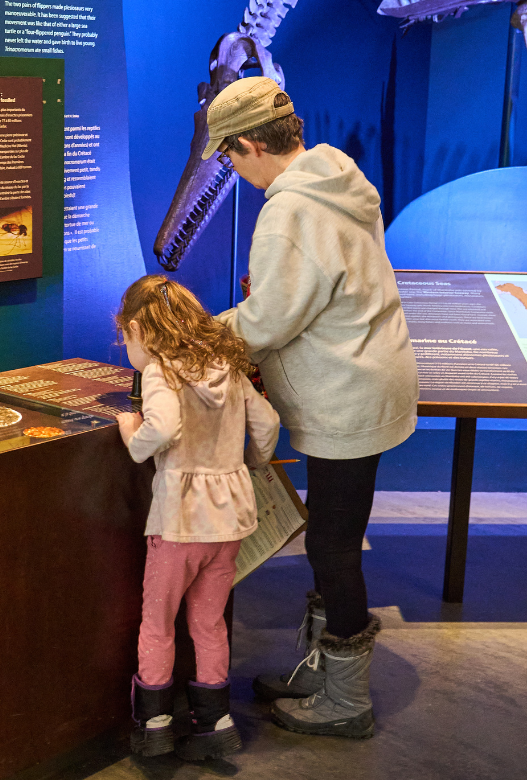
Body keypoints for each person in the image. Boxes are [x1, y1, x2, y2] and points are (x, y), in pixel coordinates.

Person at [205, 76, 418, 738]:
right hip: (369, 378)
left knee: (332, 547)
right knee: (336, 535)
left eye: (227, 157)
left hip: (346, 396)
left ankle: (347, 701)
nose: (231, 170)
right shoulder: (337, 179)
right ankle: (327, 671)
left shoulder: (289, 210)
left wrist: (200, 336)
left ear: (246, 144)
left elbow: (269, 320)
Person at [115, 277, 279, 761]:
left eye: (126, 336)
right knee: (209, 623)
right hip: (229, 519)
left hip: (180, 519)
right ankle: (215, 722)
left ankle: (156, 724)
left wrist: (132, 436)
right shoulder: (227, 366)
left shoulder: (163, 373)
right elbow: (267, 423)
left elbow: (162, 426)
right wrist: (253, 462)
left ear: (140, 329)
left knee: (158, 623)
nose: (128, 346)